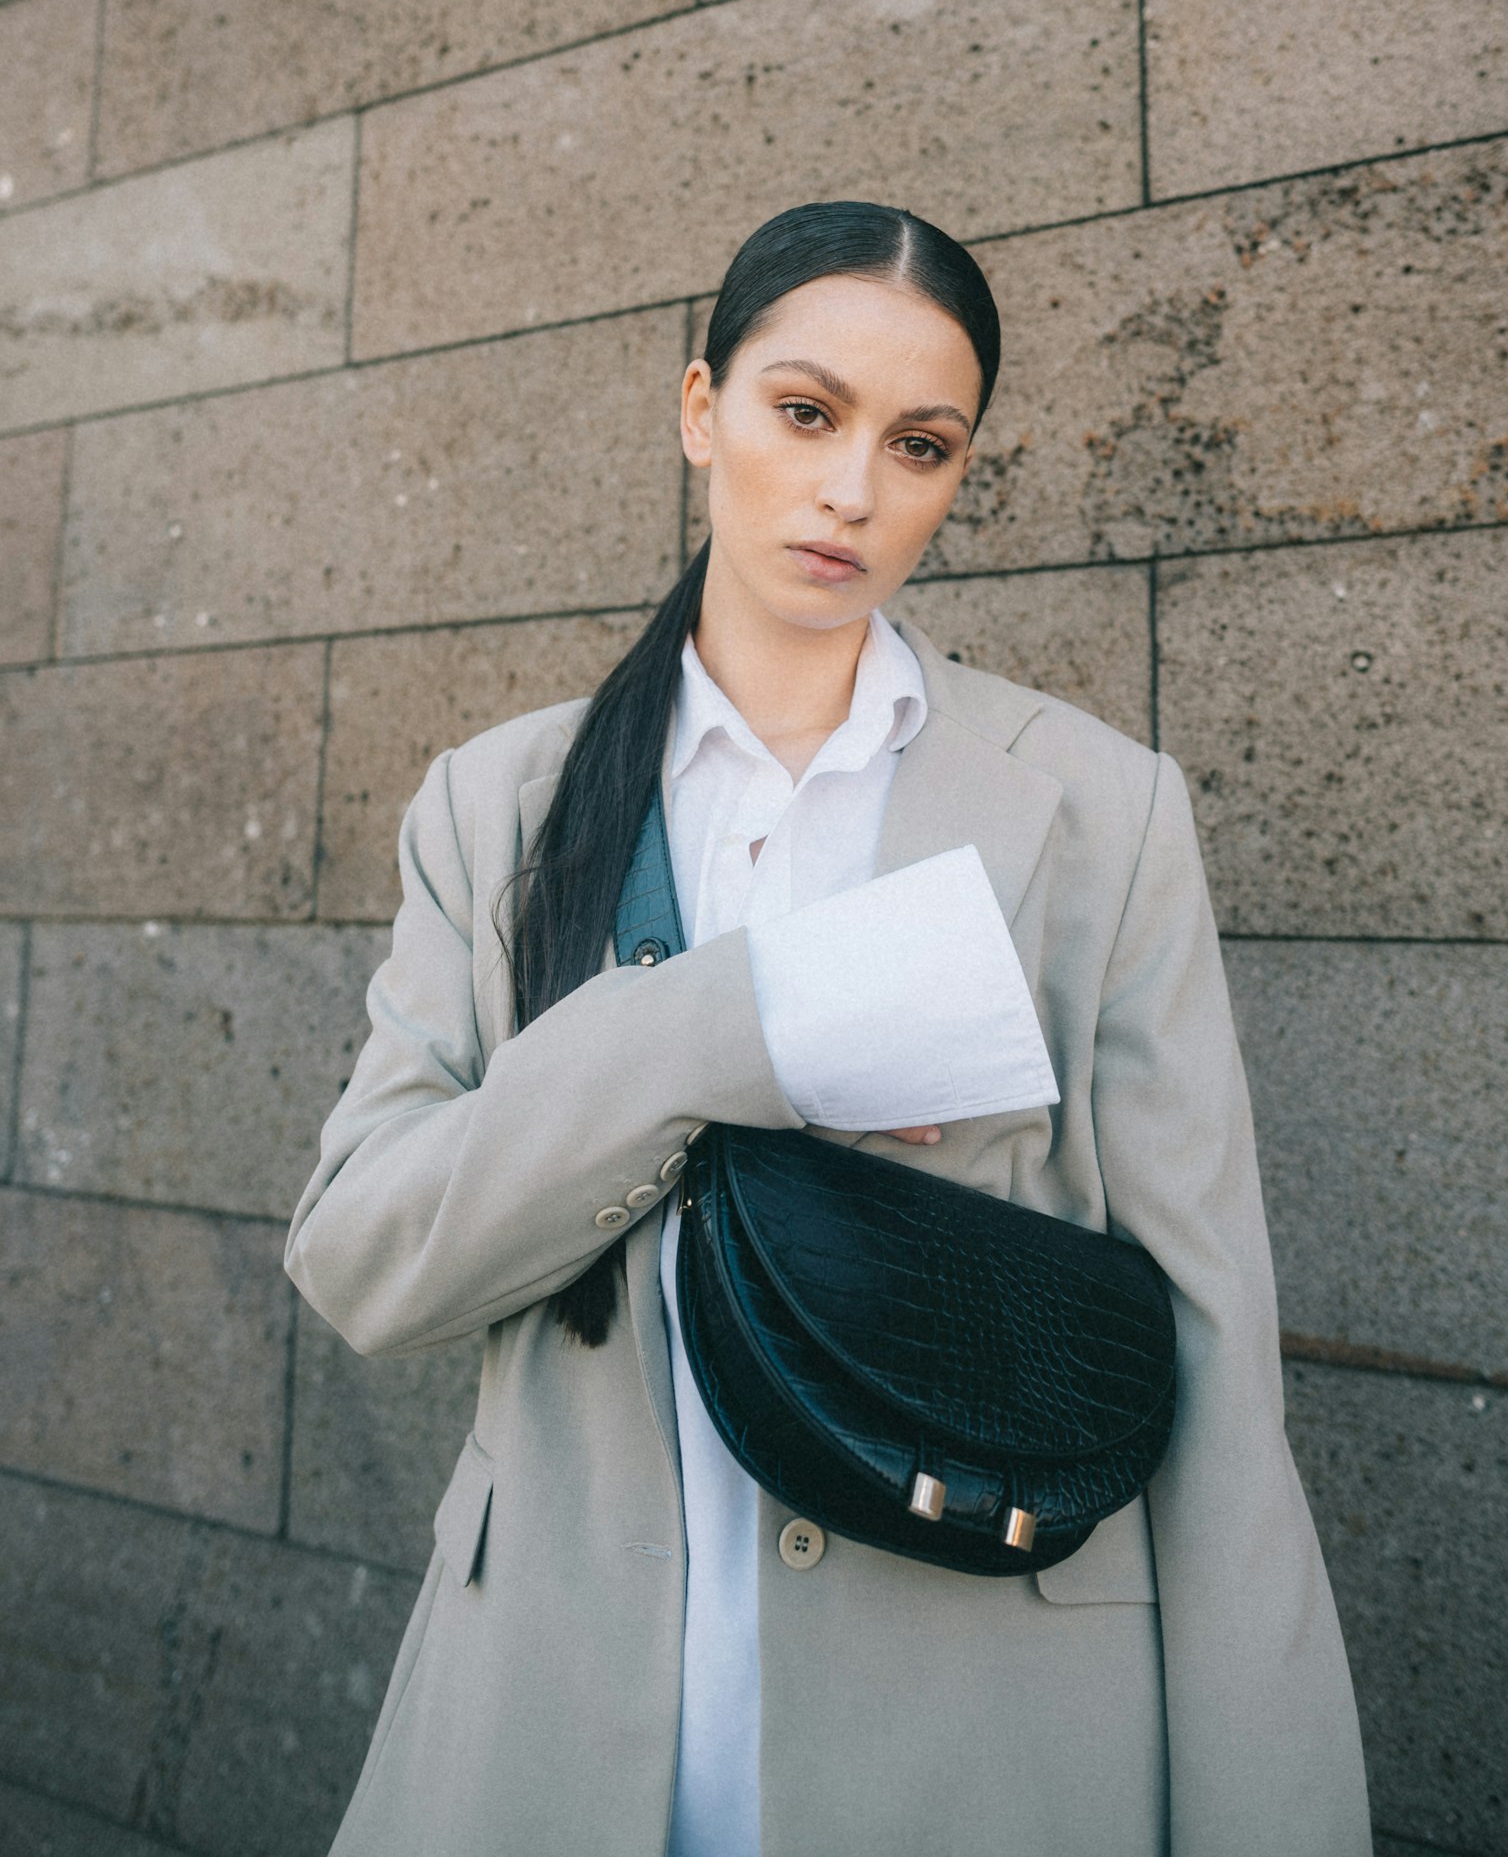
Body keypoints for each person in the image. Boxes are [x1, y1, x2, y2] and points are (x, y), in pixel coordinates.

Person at [285, 201, 1372, 1857]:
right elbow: (364, 1256)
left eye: (920, 444)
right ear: (700, 409)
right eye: (807, 413)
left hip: (989, 1744)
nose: (856, 488)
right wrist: (735, 1024)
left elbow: (1214, 1350)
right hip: (547, 1737)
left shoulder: (1099, 812)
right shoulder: (496, 806)